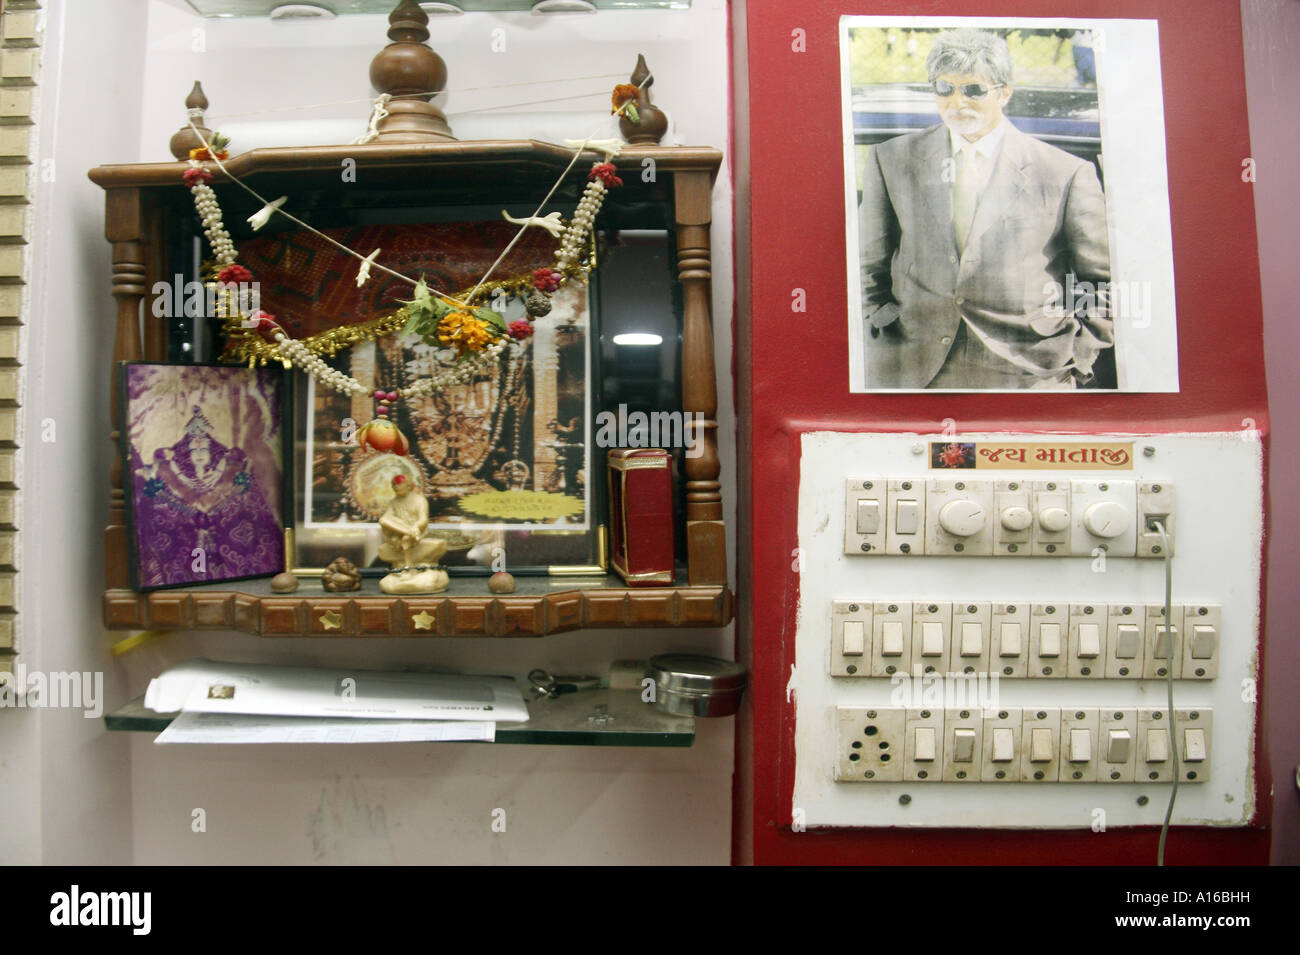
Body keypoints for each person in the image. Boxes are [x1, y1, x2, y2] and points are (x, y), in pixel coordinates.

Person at [858, 28, 1112, 390]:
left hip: (1027, 374)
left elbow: (1101, 282)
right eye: (945, 88)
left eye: (974, 89)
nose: (957, 102)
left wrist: (1078, 350)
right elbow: (867, 265)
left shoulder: (1066, 172)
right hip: (910, 367)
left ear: (1005, 92)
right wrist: (878, 323)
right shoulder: (892, 158)